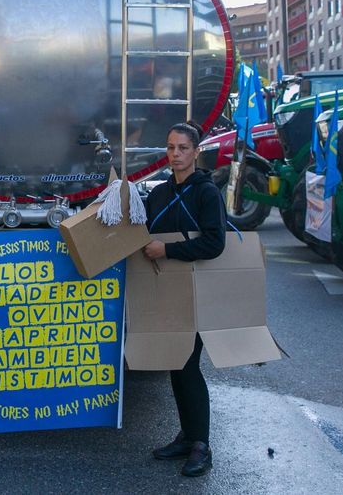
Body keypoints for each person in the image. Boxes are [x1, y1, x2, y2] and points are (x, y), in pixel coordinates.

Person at [142, 121, 226, 478]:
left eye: (182, 148)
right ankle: (186, 436)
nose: (175, 155)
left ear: (196, 152)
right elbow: (142, 231)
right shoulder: (159, 193)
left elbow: (215, 243)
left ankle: (201, 446)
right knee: (175, 364)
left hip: (199, 290)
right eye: (170, 148)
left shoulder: (207, 193)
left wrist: (168, 249)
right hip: (166, 291)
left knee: (189, 366)